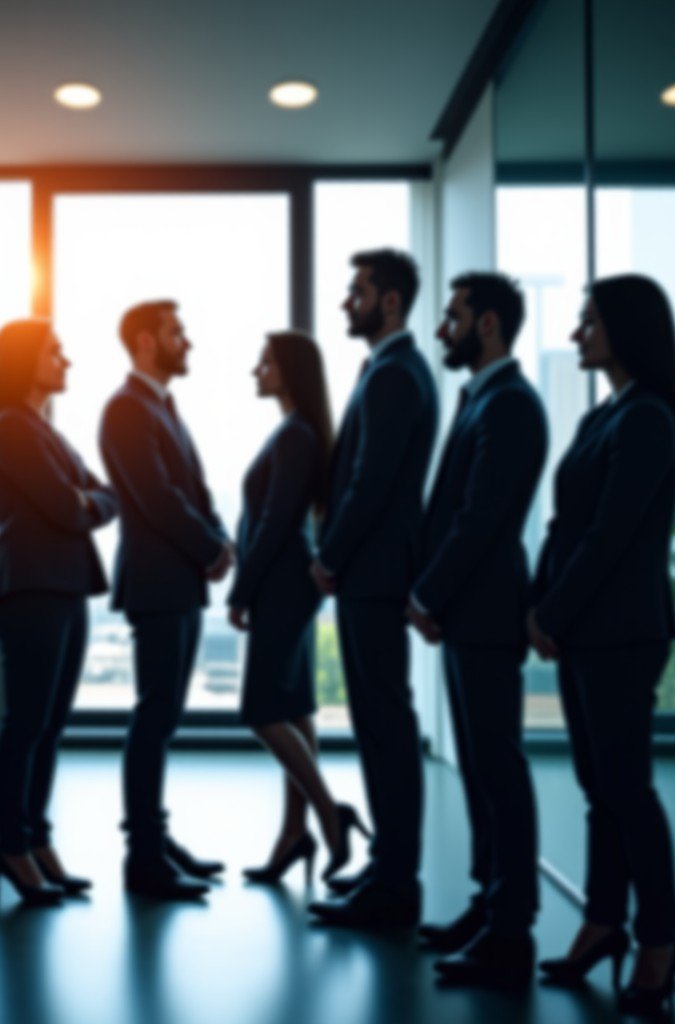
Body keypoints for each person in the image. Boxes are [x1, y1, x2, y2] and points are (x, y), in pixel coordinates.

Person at [529, 275, 675, 1016]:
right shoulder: (607, 417)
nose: (576, 334)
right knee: (602, 790)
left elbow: (610, 538)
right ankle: (603, 922)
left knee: (628, 790)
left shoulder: (648, 419)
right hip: (588, 628)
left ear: (626, 328)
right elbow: (564, 526)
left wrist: (553, 613)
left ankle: (659, 939)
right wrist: (542, 605)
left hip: (622, 634)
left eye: (588, 321)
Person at [407, 273, 546, 988]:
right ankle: (489, 907)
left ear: (486, 325)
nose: (441, 331)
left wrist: (426, 593)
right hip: (471, 614)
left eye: (452, 317)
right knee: (482, 772)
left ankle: (510, 930)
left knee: (499, 772)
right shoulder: (487, 399)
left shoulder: (511, 404)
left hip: (484, 614)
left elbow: (482, 518)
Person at [308, 249, 438, 929]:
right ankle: (389, 871)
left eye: (356, 291)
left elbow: (370, 481)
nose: (345, 302)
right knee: (381, 726)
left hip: (374, 575)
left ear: (390, 302)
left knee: (385, 729)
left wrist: (327, 558)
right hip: (375, 574)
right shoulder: (392, 370)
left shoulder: (393, 375)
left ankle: (394, 886)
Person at [0, 319, 118, 906]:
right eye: (54, 352)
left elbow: (103, 496)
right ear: (23, 360)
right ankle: (12, 846)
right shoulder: (10, 428)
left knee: (50, 727)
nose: (66, 362)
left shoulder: (42, 431)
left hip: (62, 587)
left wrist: (89, 500)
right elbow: (70, 506)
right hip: (31, 589)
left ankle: (35, 839)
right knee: (27, 725)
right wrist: (87, 500)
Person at [99, 299, 234, 901]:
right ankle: (144, 856)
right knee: (154, 716)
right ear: (146, 342)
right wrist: (212, 549)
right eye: (178, 333)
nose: (189, 342)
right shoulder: (127, 409)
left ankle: (156, 840)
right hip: (158, 582)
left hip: (178, 581)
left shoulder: (162, 407)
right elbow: (157, 498)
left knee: (164, 716)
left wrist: (219, 538)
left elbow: (196, 489)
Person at [228, 330, 368, 886]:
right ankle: (294, 835)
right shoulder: (297, 432)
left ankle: (332, 816)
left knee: (261, 711)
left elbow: (273, 523)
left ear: (290, 370)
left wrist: (241, 591)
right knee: (295, 705)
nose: (255, 371)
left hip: (282, 586)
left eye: (265, 363)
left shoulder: (295, 437)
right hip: (292, 584)